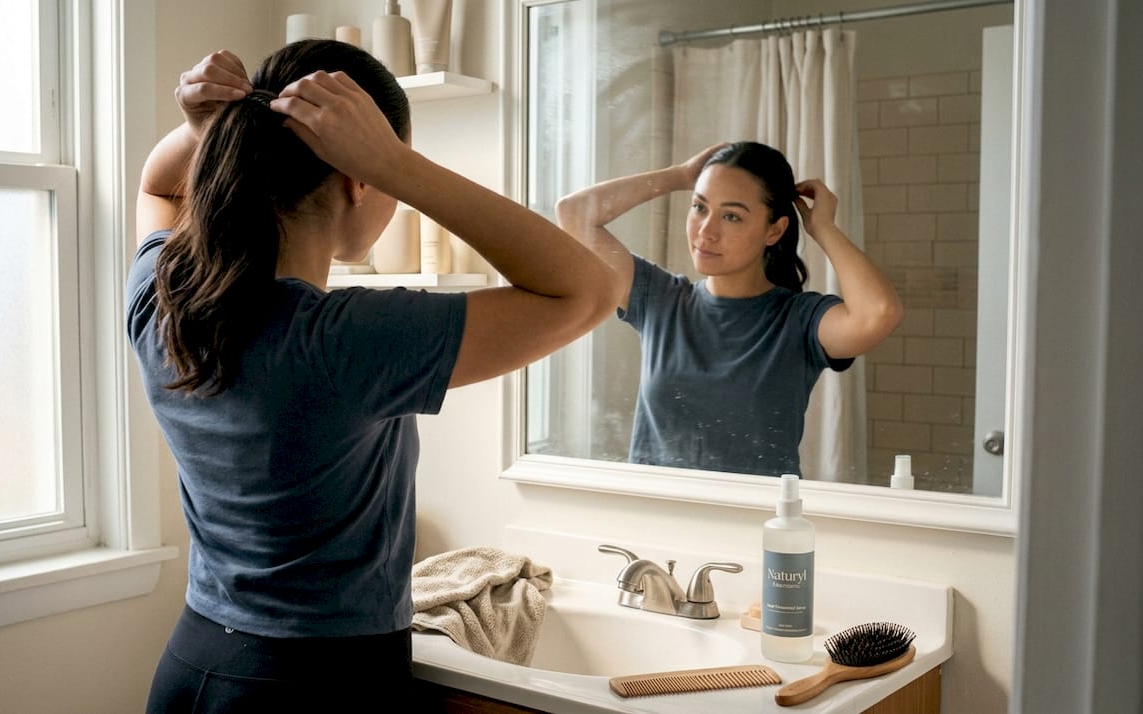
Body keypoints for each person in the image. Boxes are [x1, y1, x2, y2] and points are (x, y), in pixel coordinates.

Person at [127, 40, 617, 712]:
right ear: (358, 177)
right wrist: (398, 163)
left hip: (193, 665)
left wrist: (197, 130)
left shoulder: (162, 302)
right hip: (320, 687)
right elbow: (587, 292)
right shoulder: (346, 339)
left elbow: (158, 187)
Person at [555, 141, 902, 477]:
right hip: (653, 524)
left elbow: (878, 313)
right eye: (700, 207)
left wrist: (822, 227)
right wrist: (679, 175)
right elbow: (573, 215)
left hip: (754, 529)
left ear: (775, 230)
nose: (706, 231)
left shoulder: (798, 321)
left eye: (732, 216)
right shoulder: (659, 300)